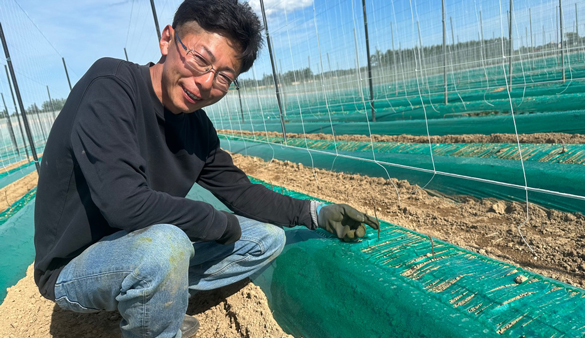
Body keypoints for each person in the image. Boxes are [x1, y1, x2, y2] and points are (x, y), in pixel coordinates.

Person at [33, 0, 379, 337]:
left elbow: (241, 191)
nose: (205, 83)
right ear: (168, 39)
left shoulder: (197, 128)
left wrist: (315, 213)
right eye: (200, 59)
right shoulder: (111, 84)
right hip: (74, 267)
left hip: (141, 245)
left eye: (224, 76)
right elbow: (125, 203)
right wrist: (217, 222)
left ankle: (152, 303)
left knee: (267, 239)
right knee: (163, 246)